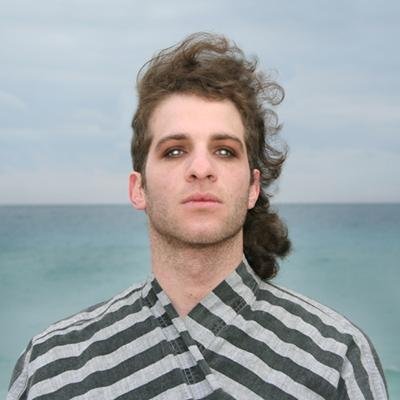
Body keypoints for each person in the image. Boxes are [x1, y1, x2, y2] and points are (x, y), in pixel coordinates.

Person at [8, 33, 387, 400]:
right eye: (174, 151)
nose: (201, 168)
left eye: (225, 151)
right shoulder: (54, 366)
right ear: (138, 188)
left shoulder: (333, 357)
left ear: (253, 187)